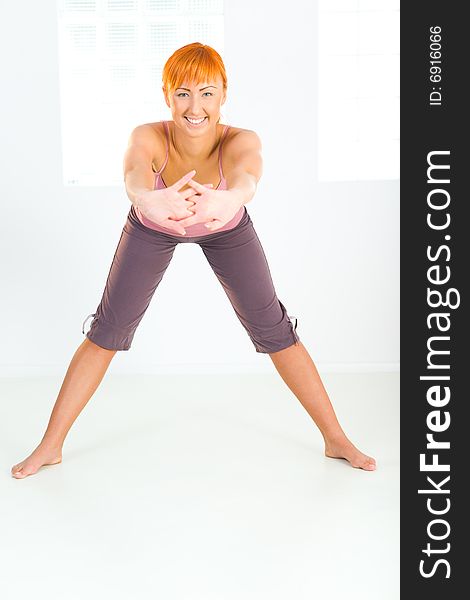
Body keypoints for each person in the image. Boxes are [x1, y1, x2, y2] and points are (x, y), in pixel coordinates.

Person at [11, 42, 376, 479]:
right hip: (153, 227)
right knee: (108, 328)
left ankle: (335, 437)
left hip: (227, 228)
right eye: (182, 92)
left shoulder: (240, 139)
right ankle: (51, 446)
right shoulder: (149, 135)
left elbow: (247, 173)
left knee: (274, 328)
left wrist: (232, 198)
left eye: (207, 92)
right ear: (167, 96)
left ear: (224, 94)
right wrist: (147, 197)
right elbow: (135, 173)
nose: (195, 106)